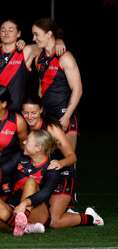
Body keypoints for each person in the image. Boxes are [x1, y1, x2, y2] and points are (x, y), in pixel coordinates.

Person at [21, 95, 86, 228]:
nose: (29, 116)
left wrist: (60, 163)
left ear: (41, 110)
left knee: (54, 221)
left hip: (61, 175)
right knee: (40, 216)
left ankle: (89, 217)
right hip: (38, 175)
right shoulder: (23, 126)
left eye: (33, 112)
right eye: (26, 112)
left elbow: (72, 156)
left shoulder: (51, 128)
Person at [32, 18, 82, 151]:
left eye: (36, 34)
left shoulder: (65, 58)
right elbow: (41, 87)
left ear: (48, 34)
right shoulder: (38, 59)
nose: (33, 38)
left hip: (65, 114)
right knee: (47, 158)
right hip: (48, 114)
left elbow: (77, 89)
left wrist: (66, 117)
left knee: (67, 160)